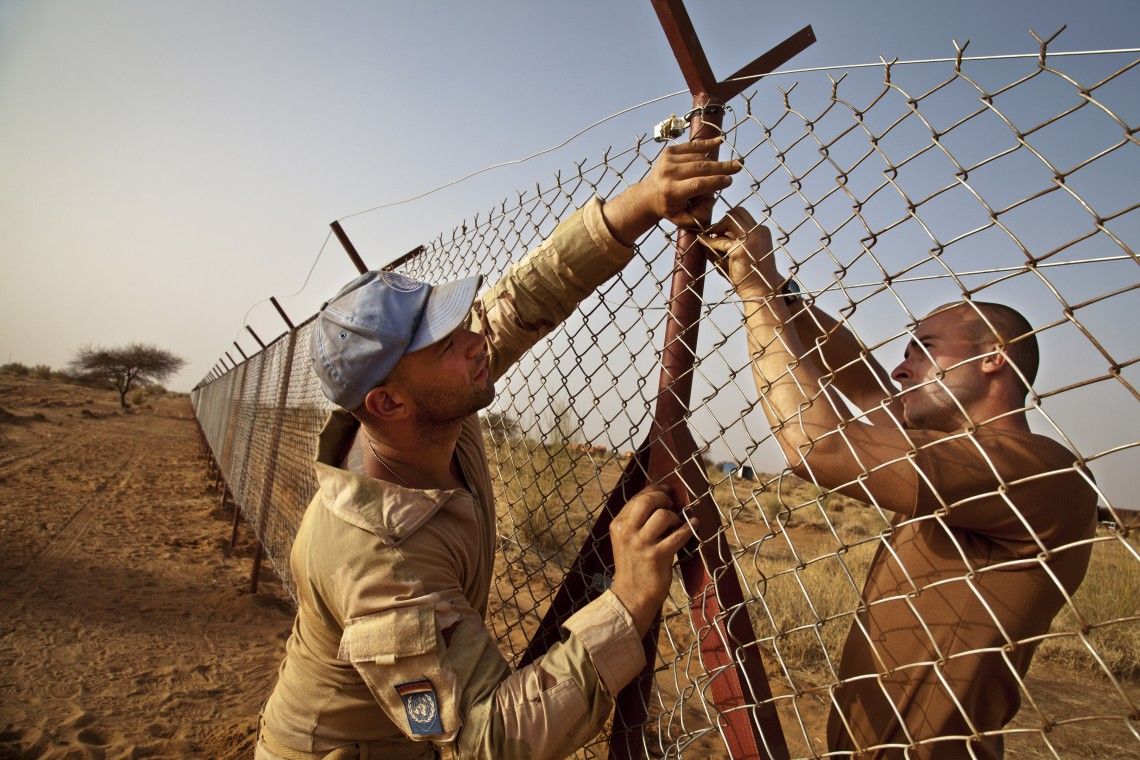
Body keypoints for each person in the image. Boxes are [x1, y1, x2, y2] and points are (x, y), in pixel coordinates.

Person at [256, 139, 741, 760]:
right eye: (444, 344)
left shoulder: (426, 410)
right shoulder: (380, 557)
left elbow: (522, 298)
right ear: (388, 404)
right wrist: (628, 602)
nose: (474, 340)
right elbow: (488, 742)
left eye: (458, 321)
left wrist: (639, 203)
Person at [700, 207, 1097, 759]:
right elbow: (862, 382)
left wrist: (756, 298)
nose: (900, 369)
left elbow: (817, 447)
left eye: (925, 348)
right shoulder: (951, 457)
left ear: (993, 358)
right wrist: (775, 287)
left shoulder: (1040, 470)